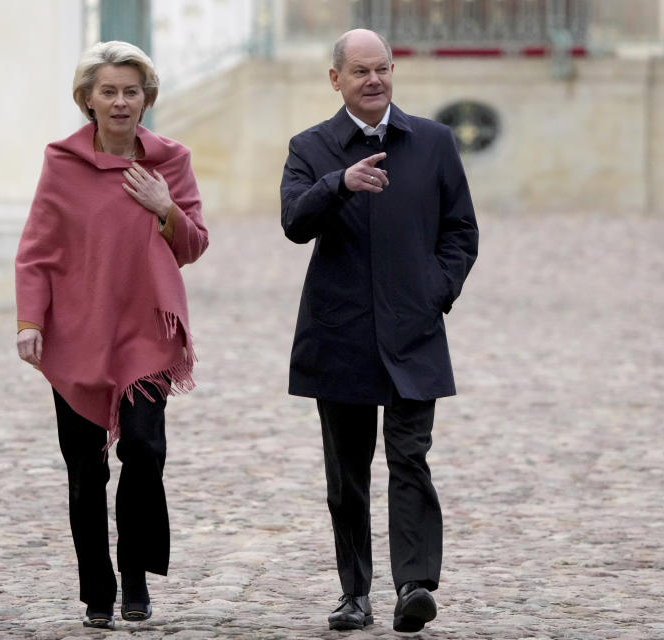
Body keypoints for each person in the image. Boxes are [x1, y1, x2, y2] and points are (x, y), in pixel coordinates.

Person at [280, 28, 478, 633]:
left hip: (413, 331)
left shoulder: (434, 142)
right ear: (335, 79)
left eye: (383, 69)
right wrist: (339, 183)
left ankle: (414, 585)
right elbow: (294, 223)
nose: (374, 80)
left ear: (394, 71)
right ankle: (355, 594)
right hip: (338, 334)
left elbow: (461, 231)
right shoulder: (311, 147)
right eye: (360, 71)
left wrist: (434, 292)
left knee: (410, 458)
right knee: (348, 472)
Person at [15, 41, 208, 629]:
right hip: (76, 331)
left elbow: (193, 244)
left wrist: (164, 207)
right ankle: (98, 589)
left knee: (145, 451)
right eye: (109, 91)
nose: (122, 102)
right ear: (88, 100)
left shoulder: (169, 160)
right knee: (85, 468)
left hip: (146, 333)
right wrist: (29, 322)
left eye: (132, 91)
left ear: (147, 99)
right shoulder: (62, 162)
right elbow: (37, 250)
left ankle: (136, 575)